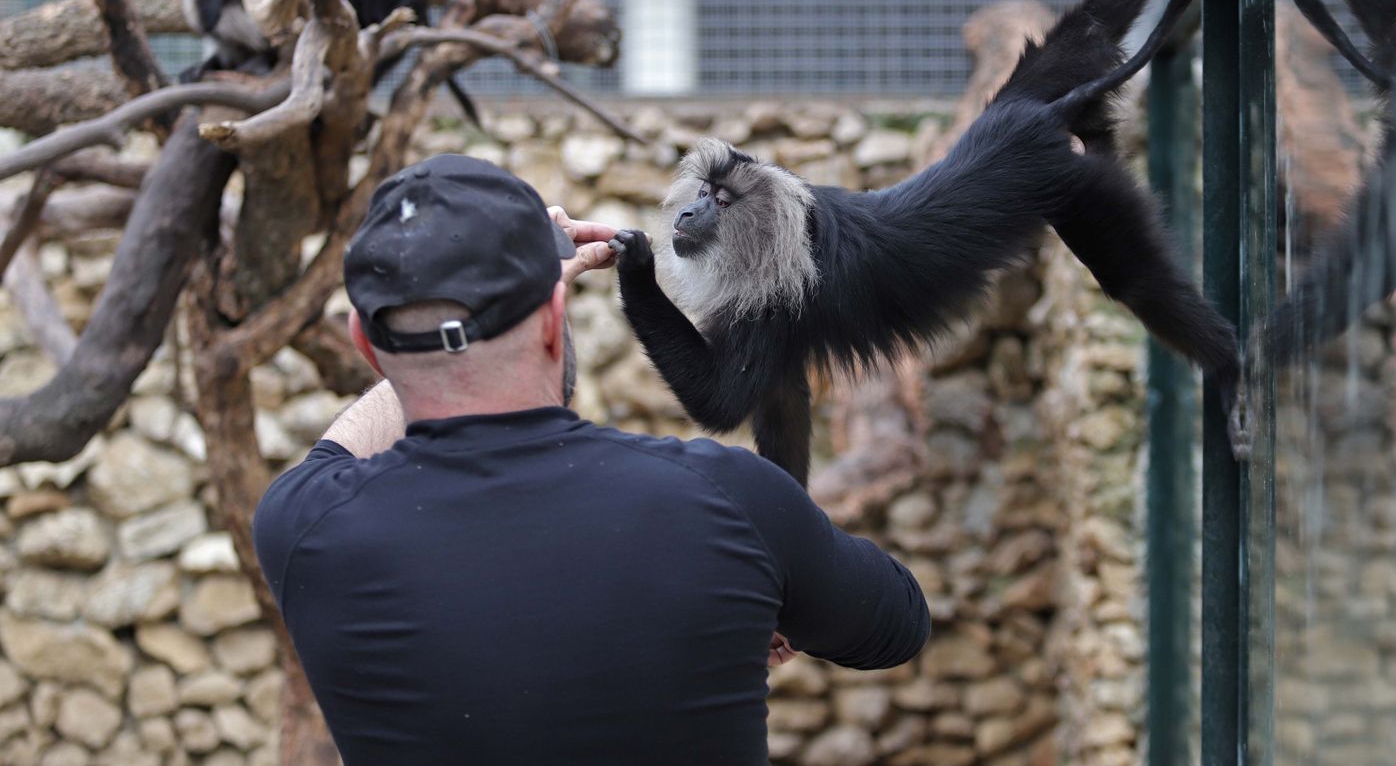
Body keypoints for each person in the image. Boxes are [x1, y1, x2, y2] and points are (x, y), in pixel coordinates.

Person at [252, 154, 930, 765]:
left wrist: (430, 350)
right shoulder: (733, 502)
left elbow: (337, 448)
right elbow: (899, 625)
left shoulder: (303, 525)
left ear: (364, 346)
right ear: (555, 318)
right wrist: (768, 592)